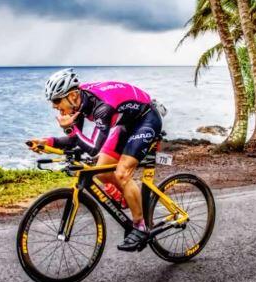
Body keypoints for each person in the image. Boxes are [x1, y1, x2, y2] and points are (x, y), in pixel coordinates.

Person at [28, 68, 163, 251]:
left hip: (146, 119)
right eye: (53, 102)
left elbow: (92, 148)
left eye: (57, 100)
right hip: (125, 123)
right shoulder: (79, 104)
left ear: (73, 95)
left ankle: (140, 226)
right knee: (102, 170)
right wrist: (48, 142)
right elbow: (75, 141)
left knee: (122, 173)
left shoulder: (102, 107)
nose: (54, 106)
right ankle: (130, 198)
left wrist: (69, 129)